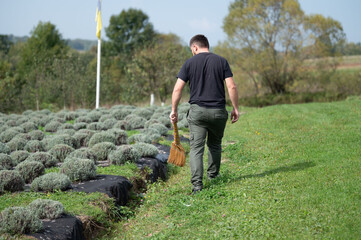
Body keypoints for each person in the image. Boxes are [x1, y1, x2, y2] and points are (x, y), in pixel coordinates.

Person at [169, 34, 240, 194]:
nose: (192, 52)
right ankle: (213, 178)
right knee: (215, 145)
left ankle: (197, 187)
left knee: (196, 149)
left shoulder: (189, 63)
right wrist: (235, 108)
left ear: (195, 47)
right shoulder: (221, 61)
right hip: (218, 112)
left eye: (191, 50)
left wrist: (174, 110)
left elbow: (177, 89)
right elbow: (232, 87)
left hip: (198, 113)